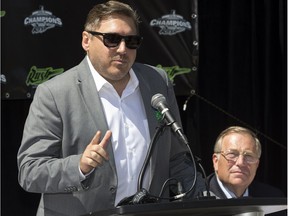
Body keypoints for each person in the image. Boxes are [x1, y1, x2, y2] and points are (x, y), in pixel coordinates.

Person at [17, 1, 205, 215]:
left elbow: (177, 157)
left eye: (131, 41)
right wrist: (79, 166)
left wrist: (206, 200)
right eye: (112, 39)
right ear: (86, 40)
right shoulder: (54, 93)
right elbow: (30, 171)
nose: (123, 49)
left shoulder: (157, 81)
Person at [207, 126, 286, 215]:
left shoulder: (273, 199)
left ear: (257, 164)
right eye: (232, 154)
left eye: (248, 156)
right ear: (216, 161)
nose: (240, 163)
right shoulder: (195, 198)